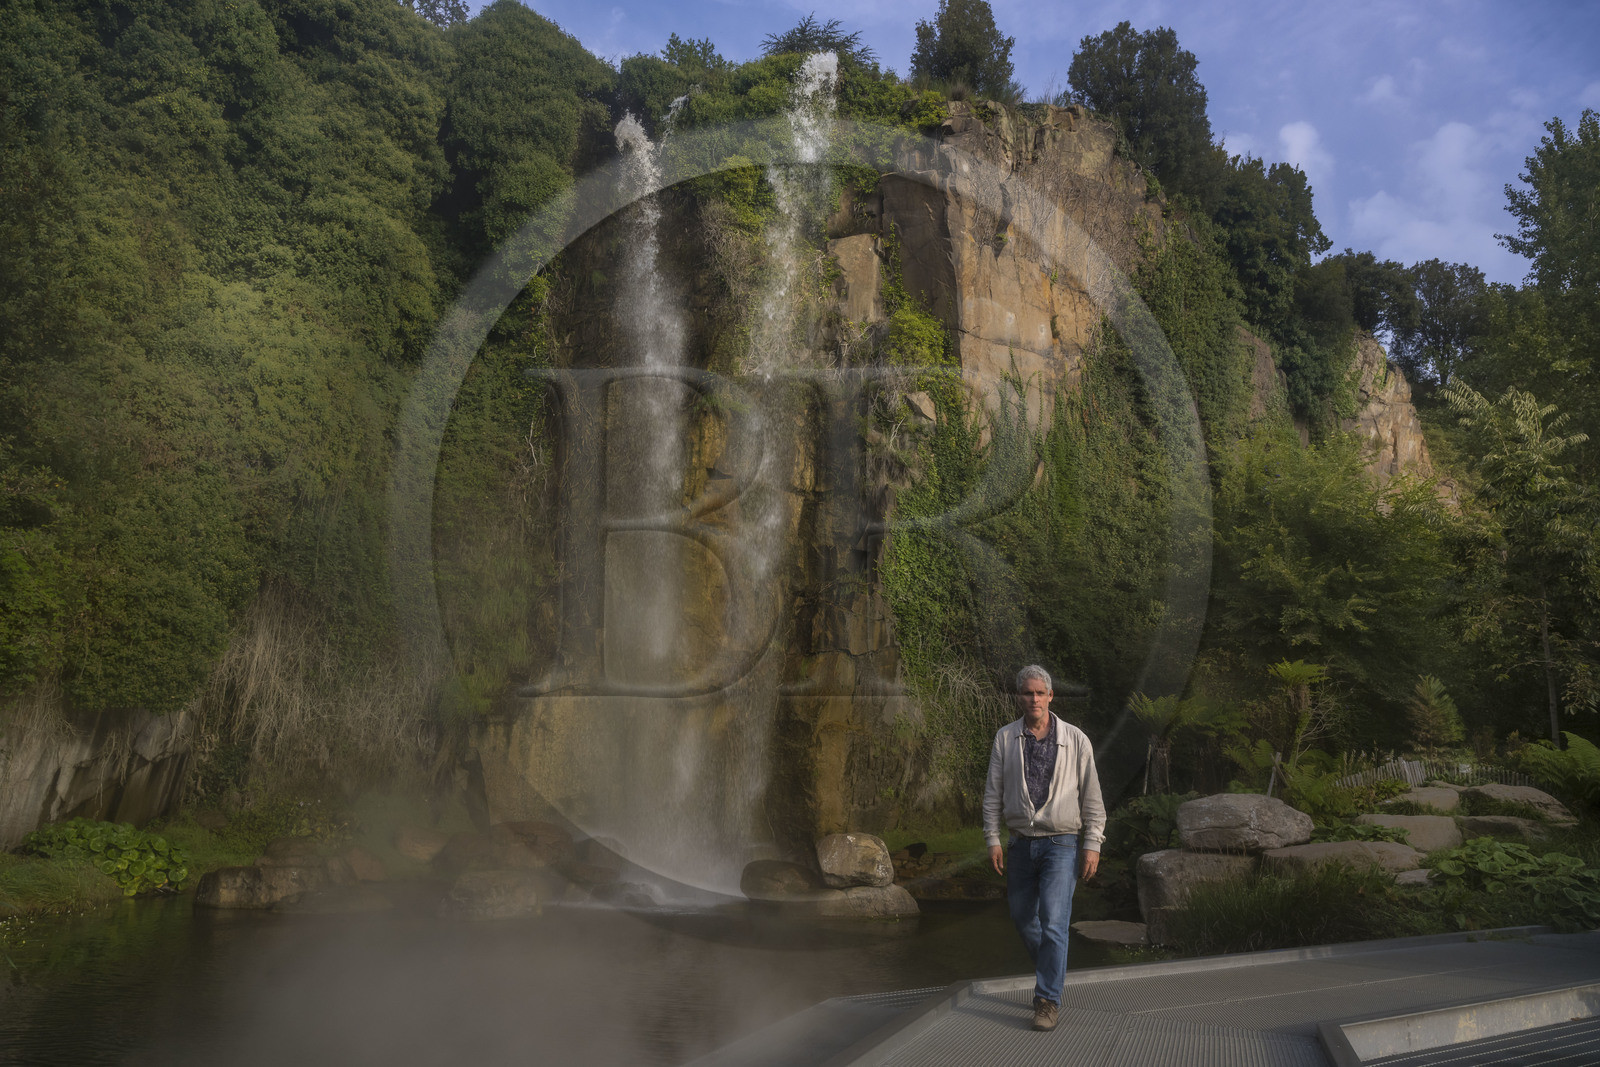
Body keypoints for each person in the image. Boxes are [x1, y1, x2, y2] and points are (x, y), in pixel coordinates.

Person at [982, 664, 1105, 1033]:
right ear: (1019, 696)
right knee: (1023, 919)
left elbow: (1092, 797)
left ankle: (1047, 1000)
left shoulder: (1076, 739)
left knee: (1054, 923)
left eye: (1040, 692)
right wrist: (992, 837)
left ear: (1051, 696)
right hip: (1020, 843)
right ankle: (1054, 970)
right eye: (1027, 692)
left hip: (1061, 842)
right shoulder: (1006, 738)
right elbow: (993, 793)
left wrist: (1093, 843)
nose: (1033, 698)